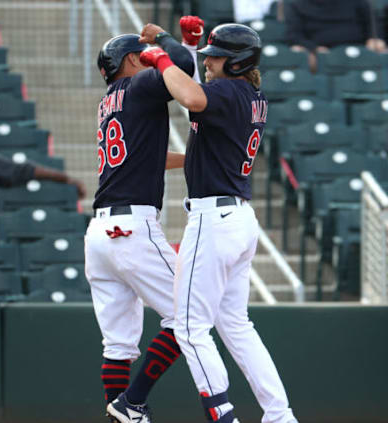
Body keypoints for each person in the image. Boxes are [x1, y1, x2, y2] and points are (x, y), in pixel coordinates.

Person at [138, 23, 297, 423]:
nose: (208, 61)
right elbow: (197, 87)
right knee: (237, 327)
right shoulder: (248, 93)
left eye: (216, 55)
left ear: (238, 62)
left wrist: (160, 55)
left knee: (190, 328)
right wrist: (180, 45)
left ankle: (223, 417)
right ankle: (280, 416)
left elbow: (190, 94)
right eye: (207, 54)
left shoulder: (229, 90)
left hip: (214, 220)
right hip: (237, 218)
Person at [85, 18, 199, 423]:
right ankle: (131, 401)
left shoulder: (109, 102)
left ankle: (122, 414)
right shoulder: (139, 85)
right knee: (188, 314)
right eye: (144, 56)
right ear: (133, 59)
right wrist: (163, 39)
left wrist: (192, 160)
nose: (153, 62)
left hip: (99, 232)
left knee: (117, 344)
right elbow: (181, 64)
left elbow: (145, 157)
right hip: (130, 227)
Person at [285, 0, 386, 54]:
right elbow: (294, 36)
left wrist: (374, 37)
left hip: (360, 49)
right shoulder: (297, 5)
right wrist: (314, 48)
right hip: (320, 53)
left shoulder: (357, 1)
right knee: (299, 51)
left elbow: (372, 22)